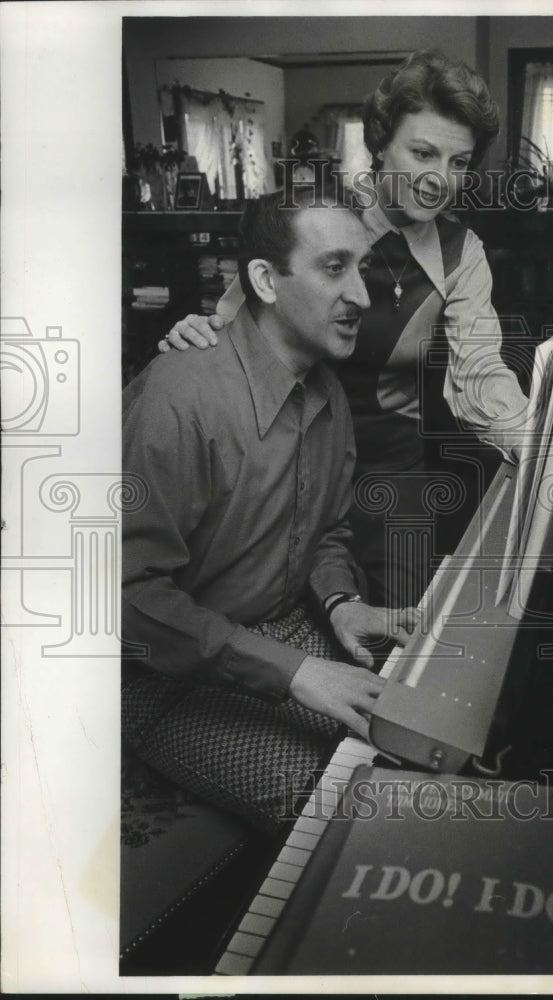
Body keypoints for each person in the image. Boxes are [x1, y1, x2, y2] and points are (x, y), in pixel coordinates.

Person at [160, 49, 553, 609]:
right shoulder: (313, 218)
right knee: (268, 604)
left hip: (392, 466)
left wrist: (538, 437)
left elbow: (480, 374)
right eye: (423, 153)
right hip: (286, 453)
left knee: (403, 618)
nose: (439, 180)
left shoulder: (462, 254)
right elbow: (236, 323)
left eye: (458, 162)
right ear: (381, 143)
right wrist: (197, 334)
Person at [122, 188, 416, 833]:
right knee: (353, 817)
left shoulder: (328, 390)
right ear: (264, 280)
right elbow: (123, 598)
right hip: (162, 679)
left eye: (362, 268)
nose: (362, 296)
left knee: (417, 740)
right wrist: (297, 672)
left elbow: (327, 532)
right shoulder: (180, 398)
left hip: (281, 632)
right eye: (334, 267)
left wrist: (341, 603)